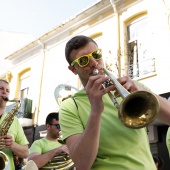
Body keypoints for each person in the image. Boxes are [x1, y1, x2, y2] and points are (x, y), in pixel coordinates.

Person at [59, 35, 170, 170]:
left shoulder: (130, 87)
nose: (94, 63)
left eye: (96, 54)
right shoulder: (70, 106)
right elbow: (82, 164)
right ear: (73, 69)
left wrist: (143, 91)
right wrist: (95, 111)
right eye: (83, 60)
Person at [0, 79, 29, 170]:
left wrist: (11, 144)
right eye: (1, 88)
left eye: (7, 91)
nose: (5, 92)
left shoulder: (14, 121)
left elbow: (26, 153)